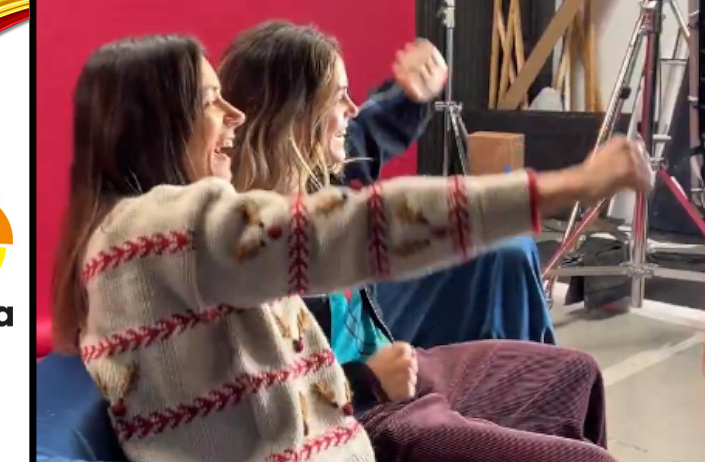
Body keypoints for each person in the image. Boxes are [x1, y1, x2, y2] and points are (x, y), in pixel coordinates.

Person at [51, 33, 651, 462]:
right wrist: (568, 185)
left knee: (574, 375)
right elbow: (359, 229)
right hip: (364, 425)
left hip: (351, 423)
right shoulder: (164, 231)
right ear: (159, 123)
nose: (233, 114)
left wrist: (410, 97)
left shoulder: (159, 233)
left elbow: (359, 160)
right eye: (211, 101)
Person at [218, 21, 645, 461]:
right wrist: (366, 379)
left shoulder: (321, 177)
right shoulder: (242, 247)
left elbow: (370, 133)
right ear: (296, 117)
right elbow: (261, 408)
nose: (352, 107)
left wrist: (411, 95)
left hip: (403, 370)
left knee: (578, 372)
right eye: (338, 96)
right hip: (360, 417)